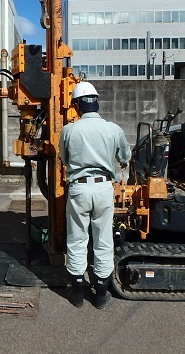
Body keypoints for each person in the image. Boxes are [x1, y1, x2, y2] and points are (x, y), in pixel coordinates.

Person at [59, 81, 131, 309]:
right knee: (103, 240)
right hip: (103, 188)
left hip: (78, 188)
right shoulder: (113, 129)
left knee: (77, 239)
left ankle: (78, 293)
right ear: (97, 102)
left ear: (78, 105)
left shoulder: (69, 130)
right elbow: (125, 156)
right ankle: (100, 293)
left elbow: (64, 158)